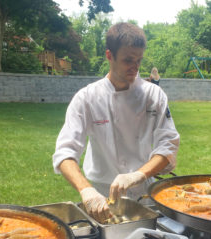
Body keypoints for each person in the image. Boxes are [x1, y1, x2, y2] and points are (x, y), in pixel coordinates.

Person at [52, 22, 180, 223]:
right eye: (128, 60)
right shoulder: (87, 98)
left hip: (143, 191)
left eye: (139, 60)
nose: (135, 67)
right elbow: (64, 153)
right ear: (109, 55)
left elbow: (168, 145)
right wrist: (86, 191)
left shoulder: (154, 95)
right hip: (100, 194)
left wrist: (137, 175)